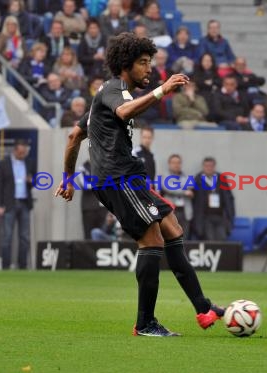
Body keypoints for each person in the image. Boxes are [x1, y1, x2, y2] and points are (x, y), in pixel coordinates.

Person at [54, 32, 225, 337]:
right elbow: (124, 112)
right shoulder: (113, 90)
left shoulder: (110, 95)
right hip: (116, 179)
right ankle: (145, 323)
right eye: (143, 63)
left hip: (129, 176)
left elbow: (73, 137)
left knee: (173, 230)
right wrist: (163, 90)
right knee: (152, 242)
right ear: (125, 65)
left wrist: (67, 179)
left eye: (151, 63)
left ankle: (204, 308)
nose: (149, 69)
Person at [0, 140, 35, 270]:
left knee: (24, 237)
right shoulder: (4, 163)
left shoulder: (29, 162)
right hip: (9, 204)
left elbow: (34, 182)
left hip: (24, 203)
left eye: (24, 153)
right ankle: (5, 265)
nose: (23, 155)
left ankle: (22, 265)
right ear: (15, 151)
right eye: (20, 153)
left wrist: (31, 181)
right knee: (7, 236)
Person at [192, 157, 235, 241]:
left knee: (222, 238)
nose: (209, 168)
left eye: (211, 166)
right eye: (206, 166)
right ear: (203, 166)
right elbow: (194, 200)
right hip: (205, 217)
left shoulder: (221, 179)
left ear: (214, 166)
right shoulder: (197, 179)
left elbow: (228, 198)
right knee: (209, 239)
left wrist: (230, 214)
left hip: (220, 216)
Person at [159, 154, 194, 239]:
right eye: (173, 162)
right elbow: (168, 187)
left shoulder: (186, 176)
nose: (176, 165)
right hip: (171, 212)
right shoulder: (164, 176)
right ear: (169, 164)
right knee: (170, 237)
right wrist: (184, 191)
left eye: (178, 163)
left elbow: (191, 185)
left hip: (185, 212)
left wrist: (176, 187)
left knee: (184, 237)